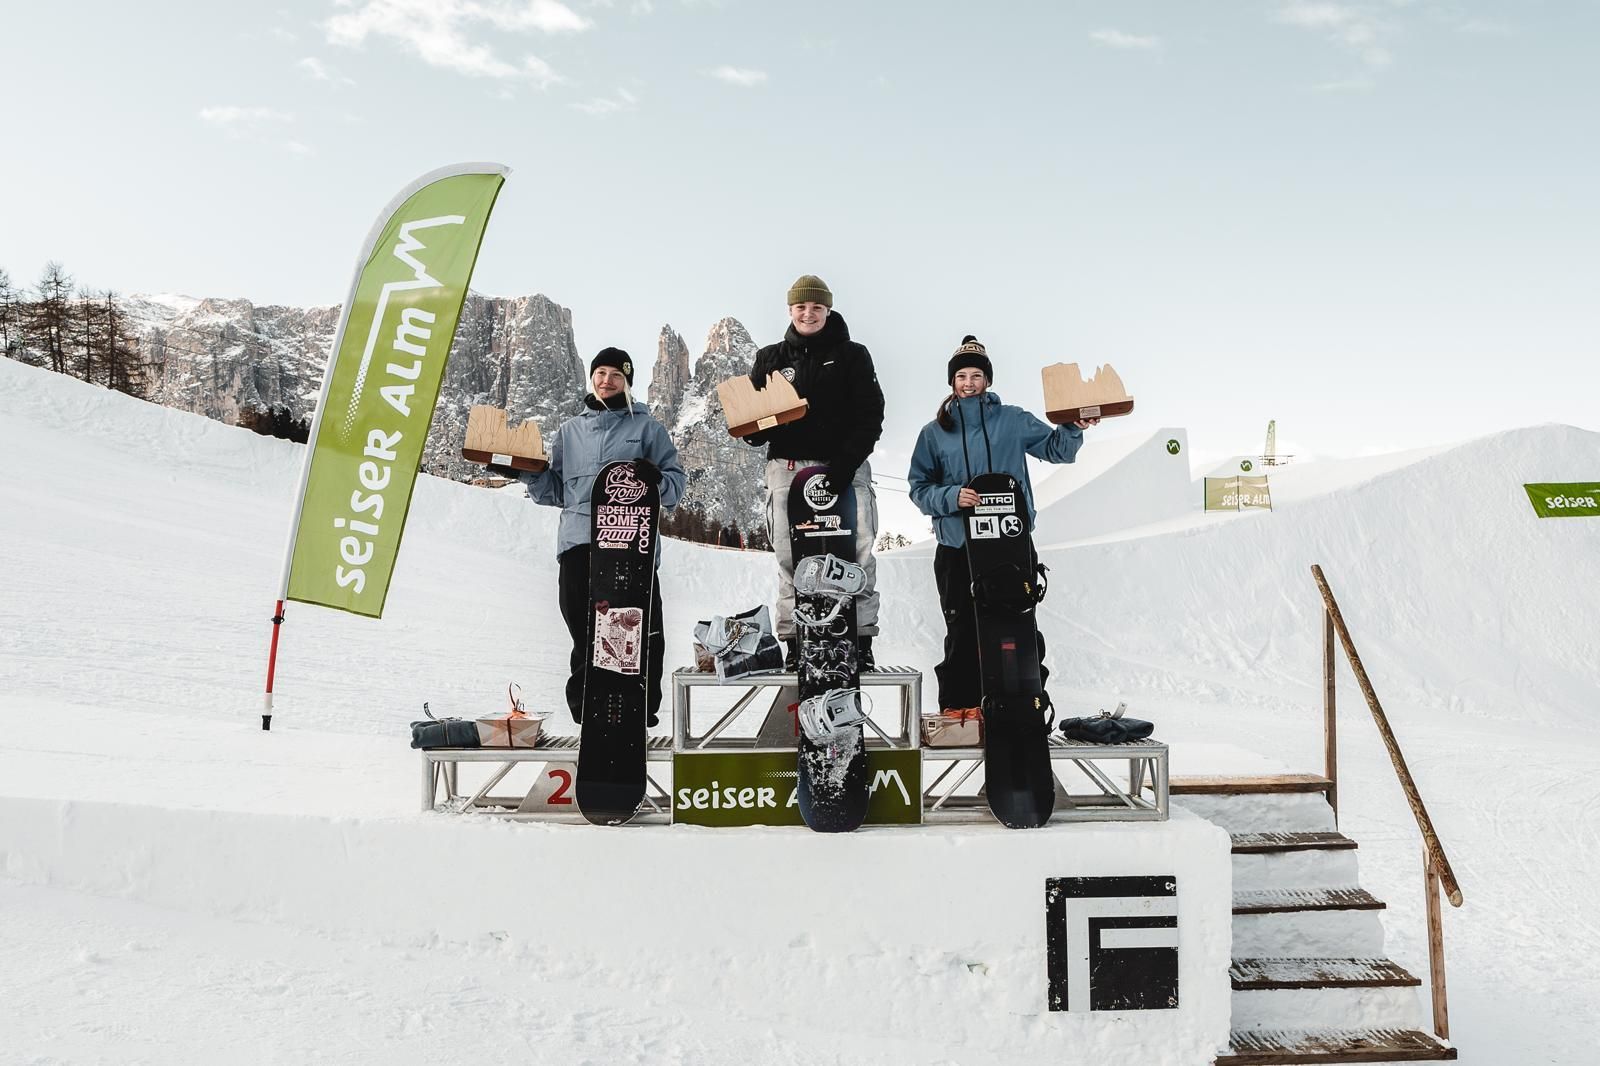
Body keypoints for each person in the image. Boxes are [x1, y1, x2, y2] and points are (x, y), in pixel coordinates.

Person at [906, 335, 1097, 715]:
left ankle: (1025, 703)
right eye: (961, 375)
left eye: (977, 375)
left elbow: (1058, 449)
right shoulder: (934, 432)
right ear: (952, 382)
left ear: (987, 381)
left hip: (1008, 546)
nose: (969, 383)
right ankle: (959, 711)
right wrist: (951, 497)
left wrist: (1074, 427)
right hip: (958, 548)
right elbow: (919, 488)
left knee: (1016, 627)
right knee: (962, 631)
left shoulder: (1012, 420)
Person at [506, 348, 686, 728]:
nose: (607, 381)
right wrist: (520, 472)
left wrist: (658, 479)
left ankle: (640, 703)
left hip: (630, 547)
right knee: (584, 629)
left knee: (634, 628)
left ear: (627, 382)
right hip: (578, 545)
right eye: (600, 373)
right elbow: (553, 491)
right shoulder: (570, 432)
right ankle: (587, 708)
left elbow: (675, 487)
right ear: (592, 378)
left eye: (616, 375)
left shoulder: (648, 430)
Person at [744, 274, 886, 670]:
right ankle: (794, 640)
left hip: (844, 468)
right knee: (790, 556)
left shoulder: (853, 354)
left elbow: (870, 414)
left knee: (857, 552)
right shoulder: (771, 357)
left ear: (828, 309)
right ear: (790, 310)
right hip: (787, 467)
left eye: (816, 307)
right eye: (801, 307)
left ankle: (860, 640)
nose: (809, 313)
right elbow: (755, 419)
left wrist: (845, 465)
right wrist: (753, 431)